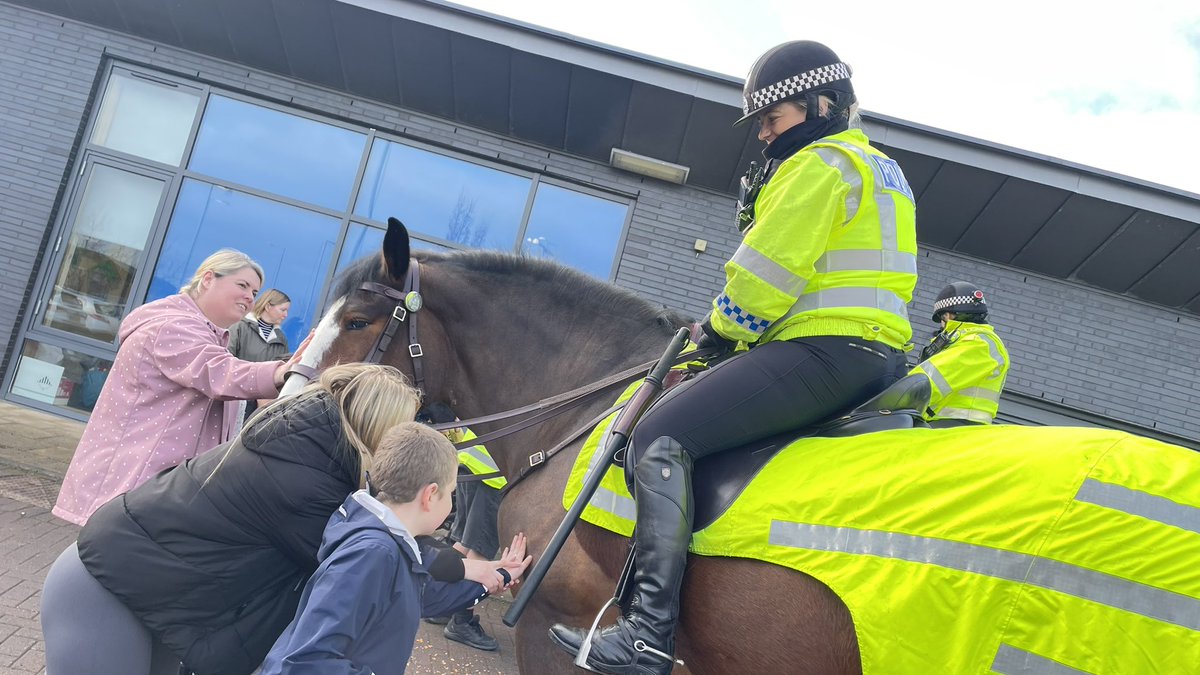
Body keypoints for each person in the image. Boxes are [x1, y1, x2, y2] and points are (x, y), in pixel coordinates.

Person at [549, 40, 918, 673]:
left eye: (772, 122)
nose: (765, 139)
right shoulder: (886, 172)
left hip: (821, 346)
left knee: (661, 435)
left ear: (821, 105)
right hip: (876, 354)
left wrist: (718, 332)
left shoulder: (818, 164)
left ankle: (647, 633)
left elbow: (765, 278)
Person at [41, 364, 450, 675]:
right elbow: (374, 562)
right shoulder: (304, 480)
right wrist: (470, 571)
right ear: (376, 427)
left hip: (149, 594)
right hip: (106, 587)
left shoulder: (310, 450)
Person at [52, 249, 306, 526]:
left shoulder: (206, 333)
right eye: (242, 285)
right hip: (136, 485)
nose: (250, 296)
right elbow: (219, 373)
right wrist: (282, 371)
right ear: (208, 279)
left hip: (153, 487)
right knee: (115, 563)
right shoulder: (172, 327)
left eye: (255, 291)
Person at [259, 423, 532, 674]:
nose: (451, 502)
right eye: (450, 494)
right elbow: (306, 662)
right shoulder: (374, 555)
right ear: (429, 496)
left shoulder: (389, 541)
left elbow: (420, 596)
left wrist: (497, 577)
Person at [417, 403, 508, 651]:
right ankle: (462, 621)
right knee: (480, 548)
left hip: (473, 461)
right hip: (492, 474)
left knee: (464, 541)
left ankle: (444, 603)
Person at [907, 281, 1010, 427]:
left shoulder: (977, 343)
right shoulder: (970, 340)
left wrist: (893, 399)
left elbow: (925, 384)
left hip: (953, 426)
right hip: (952, 425)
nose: (941, 326)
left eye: (941, 319)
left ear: (947, 316)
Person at [228, 288, 293, 421]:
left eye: (287, 311)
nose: (286, 315)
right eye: (283, 310)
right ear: (268, 306)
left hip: (261, 407)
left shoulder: (281, 339)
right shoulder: (240, 327)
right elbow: (227, 358)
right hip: (234, 398)